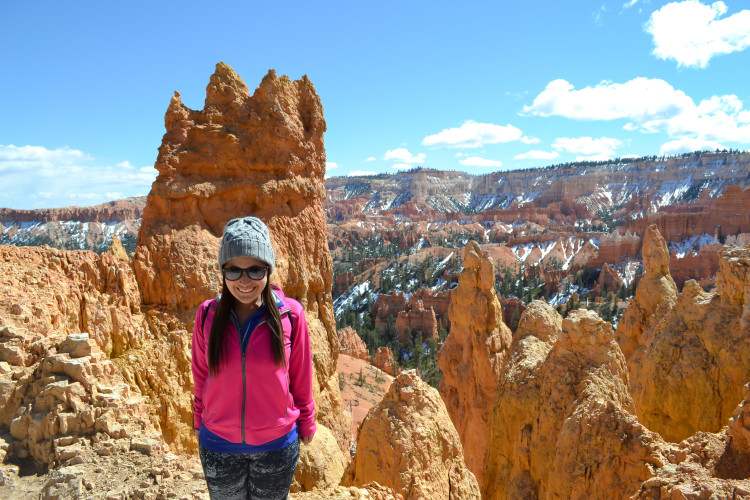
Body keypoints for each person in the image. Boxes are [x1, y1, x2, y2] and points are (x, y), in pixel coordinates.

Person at [192, 216, 316, 500]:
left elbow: (300, 376)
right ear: (223, 272)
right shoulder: (207, 315)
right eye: (233, 270)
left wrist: (307, 420)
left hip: (276, 446)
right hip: (218, 445)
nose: (244, 281)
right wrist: (199, 420)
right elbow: (201, 374)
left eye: (255, 270)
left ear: (268, 270)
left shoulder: (291, 314)